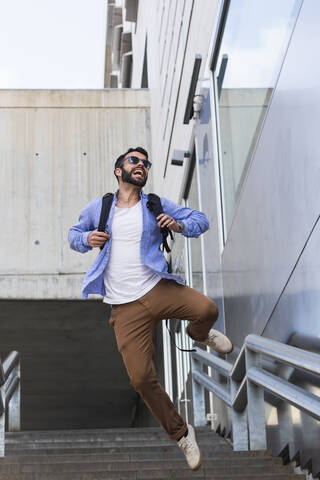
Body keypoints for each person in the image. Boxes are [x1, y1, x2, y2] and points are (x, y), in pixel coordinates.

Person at [68, 147, 233, 471]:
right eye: (134, 161)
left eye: (145, 163)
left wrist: (179, 224)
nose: (141, 166)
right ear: (119, 170)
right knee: (142, 379)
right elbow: (73, 236)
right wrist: (89, 238)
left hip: (157, 288)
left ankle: (200, 334)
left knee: (206, 309)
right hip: (125, 307)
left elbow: (201, 220)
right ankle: (182, 434)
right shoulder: (100, 207)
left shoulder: (154, 204)